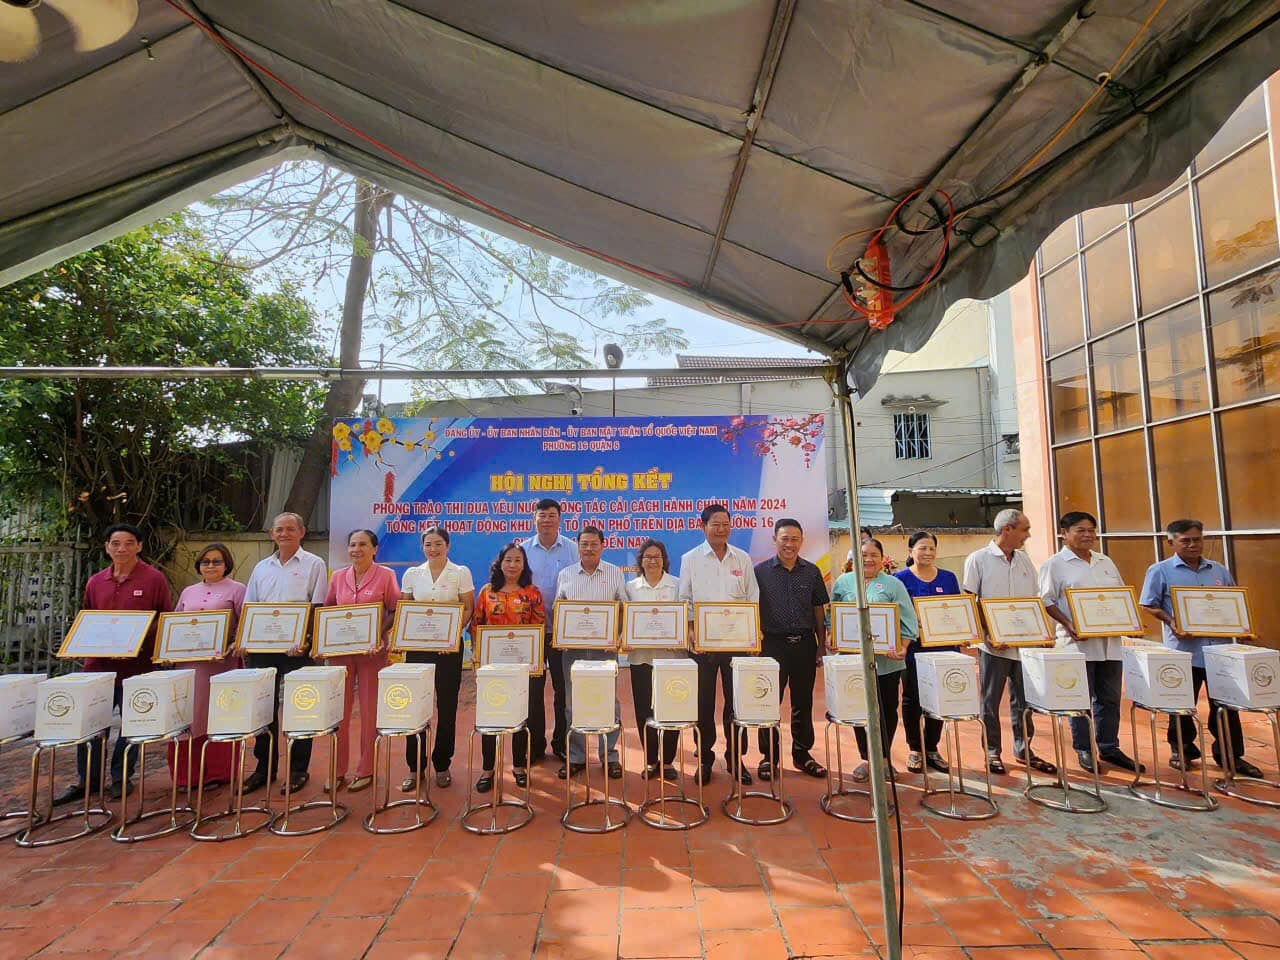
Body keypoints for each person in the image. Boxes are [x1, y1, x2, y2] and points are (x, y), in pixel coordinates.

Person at [55, 524, 173, 805]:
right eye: (116, 543)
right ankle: (88, 780)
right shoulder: (96, 581)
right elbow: (87, 618)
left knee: (133, 724)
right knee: (91, 724)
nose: (122, 549)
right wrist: (77, 646)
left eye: (129, 543)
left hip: (137, 666)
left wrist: (138, 639)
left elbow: (164, 618)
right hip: (97, 668)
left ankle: (121, 777)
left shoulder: (154, 579)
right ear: (107, 547)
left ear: (139, 546)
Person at [1140, 518, 1264, 778]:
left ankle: (1230, 756)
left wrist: (1242, 629)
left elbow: (1233, 602)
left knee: (1226, 704)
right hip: (1185, 649)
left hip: (1220, 651)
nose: (1192, 545)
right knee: (1182, 703)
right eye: (1185, 540)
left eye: (1197, 539)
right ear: (1171, 542)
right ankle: (1182, 750)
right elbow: (1148, 604)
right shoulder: (1160, 570)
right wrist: (1171, 621)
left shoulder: (1218, 570)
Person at [1039, 512, 1142, 773]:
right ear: (1064, 533)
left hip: (1110, 645)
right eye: (1080, 530)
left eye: (1091, 530)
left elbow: (1119, 596)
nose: (1087, 535)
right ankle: (1084, 749)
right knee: (1079, 699)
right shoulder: (1055, 564)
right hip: (1077, 643)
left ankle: (1109, 747)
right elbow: (1046, 600)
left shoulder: (1105, 561)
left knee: (1109, 698)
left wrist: (1131, 623)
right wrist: (1068, 623)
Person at [964, 508, 1056, 777]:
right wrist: (988, 634)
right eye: (1024, 529)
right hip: (994, 646)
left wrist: (1043, 633)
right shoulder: (978, 559)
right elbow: (970, 599)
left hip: (1024, 645)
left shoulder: (1024, 560)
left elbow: (1034, 601)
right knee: (990, 701)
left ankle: (1024, 747)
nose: (1028, 535)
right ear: (1007, 529)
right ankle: (992, 751)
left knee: (1024, 701)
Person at [241, 512, 328, 795]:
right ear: (271, 534)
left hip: (297, 649)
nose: (284, 533)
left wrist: (307, 641)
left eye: (291, 529)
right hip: (262, 648)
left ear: (302, 532)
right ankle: (264, 769)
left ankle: (298, 769)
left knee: (300, 707)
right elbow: (250, 607)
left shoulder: (314, 564)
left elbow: (318, 606)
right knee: (263, 709)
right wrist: (245, 640)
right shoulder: (261, 567)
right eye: (279, 529)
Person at [677, 503, 759, 786]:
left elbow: (752, 597)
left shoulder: (742, 558)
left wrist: (752, 633)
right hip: (703, 644)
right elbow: (684, 598)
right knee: (703, 704)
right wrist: (691, 631)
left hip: (737, 642)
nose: (721, 529)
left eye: (726, 524)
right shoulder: (690, 559)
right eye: (715, 524)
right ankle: (704, 759)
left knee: (737, 703)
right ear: (703, 527)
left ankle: (736, 758)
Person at [323, 529, 400, 793]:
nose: (357, 549)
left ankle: (366, 769)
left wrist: (377, 633)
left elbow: (394, 609)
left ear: (374, 549)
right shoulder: (338, 577)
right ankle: (337, 770)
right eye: (353, 544)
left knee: (369, 711)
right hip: (340, 652)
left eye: (363, 544)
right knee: (338, 711)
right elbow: (328, 610)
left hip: (372, 652)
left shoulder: (386, 576)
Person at [753, 519, 829, 781]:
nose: (789, 544)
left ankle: (802, 753)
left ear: (802, 541)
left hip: (805, 645)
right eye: (784, 538)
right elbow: (752, 609)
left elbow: (818, 609)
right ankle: (768, 757)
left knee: (803, 702)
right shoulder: (760, 572)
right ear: (775, 539)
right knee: (767, 703)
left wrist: (821, 645)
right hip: (771, 646)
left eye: (795, 539)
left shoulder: (812, 572)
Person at [400, 526, 474, 790]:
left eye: (438, 544)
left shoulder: (460, 572)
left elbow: (468, 608)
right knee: (415, 707)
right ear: (422, 547)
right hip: (417, 649)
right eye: (428, 544)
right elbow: (405, 609)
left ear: (448, 545)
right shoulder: (412, 574)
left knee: (447, 707)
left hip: (448, 650)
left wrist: (451, 637)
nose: (433, 549)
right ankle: (414, 767)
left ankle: (442, 764)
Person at [832, 538, 909, 780]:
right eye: (863, 554)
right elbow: (832, 615)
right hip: (854, 661)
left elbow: (908, 619)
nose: (868, 559)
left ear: (882, 559)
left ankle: (884, 759)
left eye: (874, 554)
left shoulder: (893, 584)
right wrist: (833, 636)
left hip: (887, 662)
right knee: (859, 709)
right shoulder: (843, 582)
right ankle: (867, 759)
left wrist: (903, 646)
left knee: (886, 709)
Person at [555, 526, 628, 780]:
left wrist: (619, 636)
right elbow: (560, 609)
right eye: (584, 544)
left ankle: (609, 756)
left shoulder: (614, 573)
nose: (588, 548)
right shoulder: (566, 574)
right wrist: (561, 636)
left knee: (608, 701)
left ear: (602, 545)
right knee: (572, 703)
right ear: (577, 546)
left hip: (604, 649)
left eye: (593, 544)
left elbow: (624, 608)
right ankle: (576, 756)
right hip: (572, 651)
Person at [473, 542, 547, 791]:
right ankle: (488, 769)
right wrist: (478, 657)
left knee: (520, 716)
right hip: (492, 667)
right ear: (500, 563)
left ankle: (518, 766)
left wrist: (536, 660)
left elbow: (539, 627)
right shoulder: (487, 592)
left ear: (524, 565)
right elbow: (477, 626)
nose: (513, 565)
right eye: (508, 560)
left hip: (522, 668)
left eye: (518, 560)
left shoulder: (533, 593)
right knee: (490, 715)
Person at [171, 543, 244, 789]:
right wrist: (168, 651)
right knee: (186, 715)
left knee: (218, 715)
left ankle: (217, 773)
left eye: (216, 561)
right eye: (206, 561)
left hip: (220, 665)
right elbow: (176, 624)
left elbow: (244, 624)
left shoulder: (237, 589)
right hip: (188, 664)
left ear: (226, 564)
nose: (210, 566)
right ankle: (186, 776)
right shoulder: (188, 591)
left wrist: (233, 645)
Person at [895, 531, 960, 774]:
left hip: (943, 648)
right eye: (922, 548)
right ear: (910, 551)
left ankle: (932, 747)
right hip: (912, 648)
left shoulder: (948, 578)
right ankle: (915, 748)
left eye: (932, 548)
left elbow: (957, 610)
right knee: (912, 698)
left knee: (939, 697)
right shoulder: (899, 579)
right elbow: (895, 614)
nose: (928, 553)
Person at [520, 499, 578, 762]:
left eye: (551, 515)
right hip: (531, 632)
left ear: (559, 519)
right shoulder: (522, 550)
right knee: (532, 689)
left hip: (562, 631)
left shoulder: (573, 549)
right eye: (542, 515)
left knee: (563, 689)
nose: (546, 520)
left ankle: (562, 743)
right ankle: (534, 745)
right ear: (534, 519)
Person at [624, 538, 686, 780]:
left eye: (657, 557)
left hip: (672, 658)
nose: (652, 561)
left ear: (664, 560)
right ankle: (650, 760)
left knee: (672, 709)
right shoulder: (631, 588)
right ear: (640, 561)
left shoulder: (677, 585)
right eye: (647, 557)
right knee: (644, 710)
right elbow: (624, 620)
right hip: (641, 658)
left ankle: (668, 761)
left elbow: (686, 618)